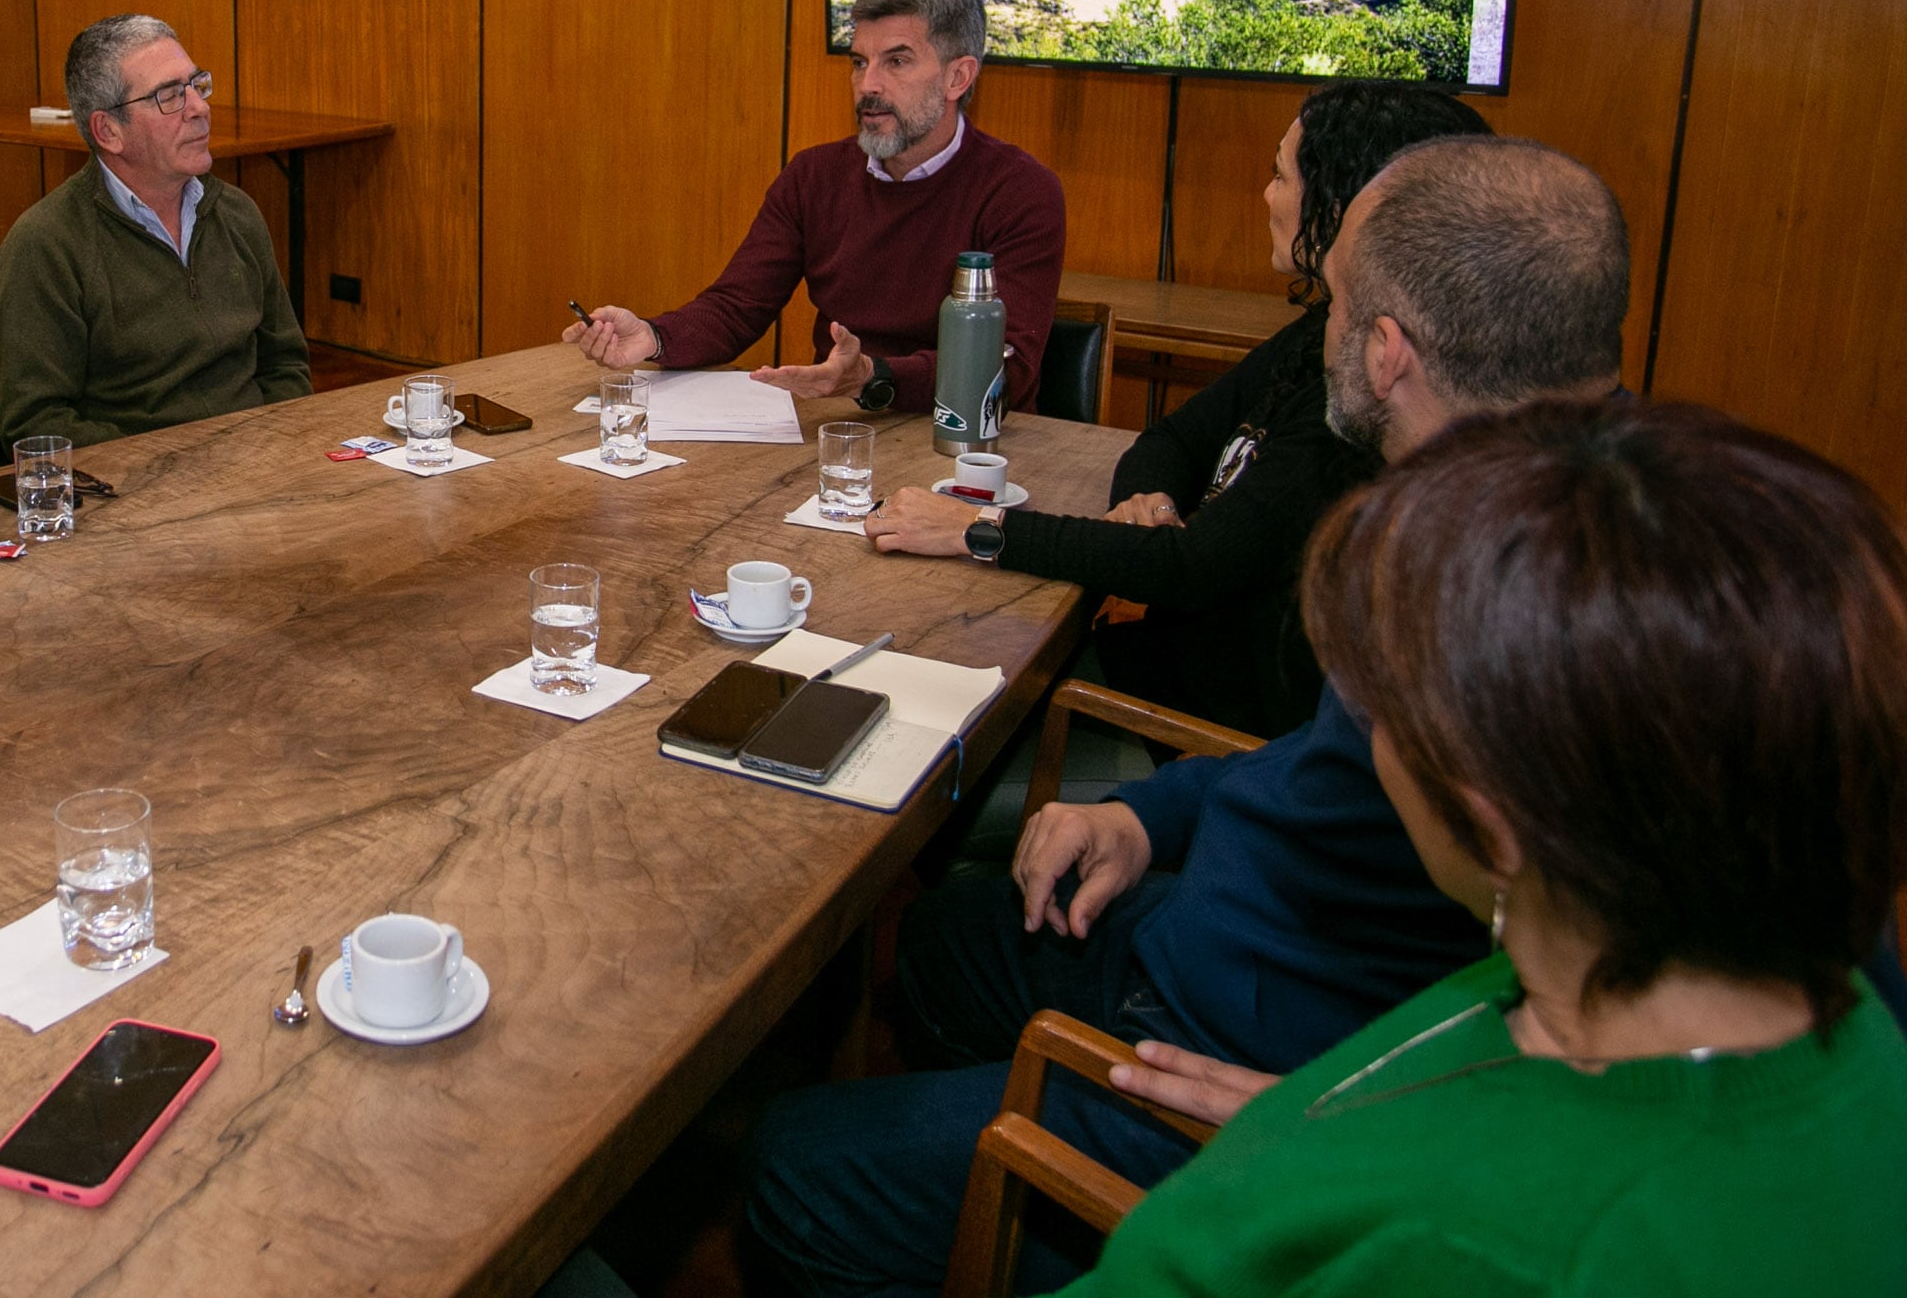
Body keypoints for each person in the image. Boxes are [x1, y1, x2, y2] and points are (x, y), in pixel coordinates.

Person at [745, 136, 1631, 1298]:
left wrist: (1351, 1117)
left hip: (1266, 1059)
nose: (1316, 321)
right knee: (950, 938)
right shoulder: (1519, 505)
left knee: (793, 1171)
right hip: (1215, 925)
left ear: (1384, 350)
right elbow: (1330, 762)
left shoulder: (1558, 606)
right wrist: (1151, 814)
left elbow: (1637, 1067)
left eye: (1337, 301)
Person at [1056, 398, 1907, 1294]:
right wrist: (1338, 1122)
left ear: (1491, 822)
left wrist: (1329, 1160)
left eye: (1378, 707)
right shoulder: (1818, 1003)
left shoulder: (1468, 1250)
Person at [863, 81, 1488, 736]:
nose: (1267, 197)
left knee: (905, 719)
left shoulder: (1364, 398)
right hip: (1147, 674)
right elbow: (1171, 442)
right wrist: (1153, 501)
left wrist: (973, 528)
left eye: (1280, 176)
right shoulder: (1323, 329)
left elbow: (1191, 571)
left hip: (1187, 740)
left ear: (1344, 207)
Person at [564, 0, 1064, 417]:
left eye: (896, 62)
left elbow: (1006, 366)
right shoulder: (815, 176)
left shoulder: (1020, 191)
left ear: (958, 76)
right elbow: (738, 306)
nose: (868, 85)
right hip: (844, 426)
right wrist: (652, 337)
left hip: (973, 444)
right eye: (858, 62)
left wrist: (873, 376)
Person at [0, 15, 310, 446]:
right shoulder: (46, 245)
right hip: (136, 491)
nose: (199, 107)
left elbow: (285, 367)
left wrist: (269, 450)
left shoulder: (236, 214)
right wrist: (170, 468)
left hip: (256, 466)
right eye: (170, 96)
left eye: (197, 85)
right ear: (109, 131)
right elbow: (37, 422)